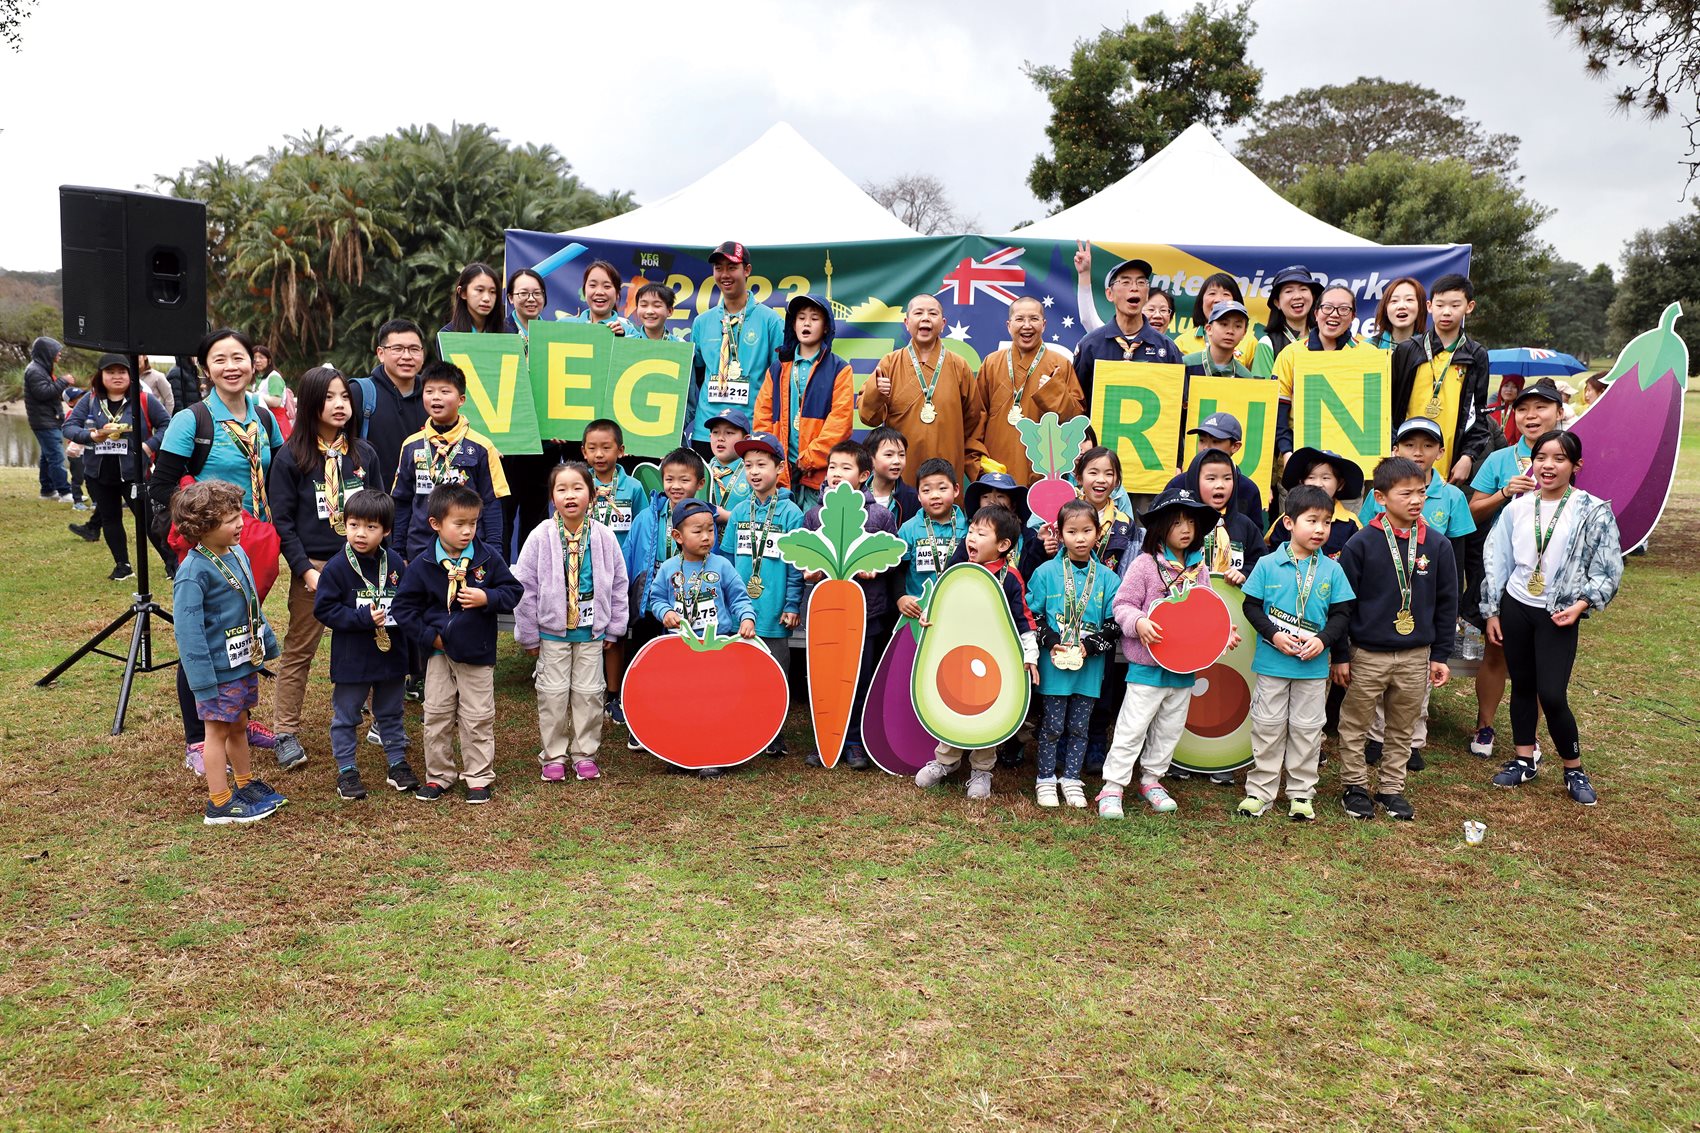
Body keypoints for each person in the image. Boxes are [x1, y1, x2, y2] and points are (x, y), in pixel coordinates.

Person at [150, 328, 287, 771]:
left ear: (254, 362)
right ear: (205, 368)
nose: (232, 367)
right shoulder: (192, 420)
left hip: (254, 545)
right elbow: (162, 485)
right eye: (220, 359)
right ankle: (198, 738)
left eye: (239, 357)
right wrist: (207, 525)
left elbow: (281, 477)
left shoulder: (264, 417)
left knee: (242, 628)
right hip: (209, 547)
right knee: (204, 637)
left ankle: (237, 722)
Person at [1481, 430, 1622, 806]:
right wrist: (1492, 610)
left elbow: (1608, 568)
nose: (1548, 465)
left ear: (1576, 466)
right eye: (1541, 457)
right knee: (1522, 685)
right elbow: (1497, 559)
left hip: (1559, 612)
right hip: (1516, 606)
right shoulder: (1517, 507)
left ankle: (1573, 768)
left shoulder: (1591, 510)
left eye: (1559, 459)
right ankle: (1523, 760)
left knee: (1552, 694)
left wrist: (1582, 604)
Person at [267, 365, 381, 773]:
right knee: (300, 649)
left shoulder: (363, 454)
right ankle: (285, 732)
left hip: (361, 565)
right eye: (330, 397)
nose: (339, 405)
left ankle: (381, 717)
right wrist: (305, 571)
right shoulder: (291, 457)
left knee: (373, 638)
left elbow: (380, 509)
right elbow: (283, 522)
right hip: (314, 568)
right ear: (312, 402)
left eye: (345, 397)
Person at [1332, 457, 1457, 822]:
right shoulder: (1361, 544)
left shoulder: (1437, 545)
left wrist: (1441, 654)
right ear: (1381, 498)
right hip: (1367, 653)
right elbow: (1342, 605)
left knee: (1403, 725)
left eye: (1421, 492)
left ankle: (1391, 788)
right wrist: (1341, 655)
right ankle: (1355, 786)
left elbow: (1447, 603)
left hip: (1416, 654)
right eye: (1406, 494)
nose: (1416, 500)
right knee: (1355, 724)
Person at [1098, 487, 1232, 817]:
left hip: (1184, 670)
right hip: (1147, 667)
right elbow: (1122, 605)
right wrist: (1139, 622)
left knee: (1169, 730)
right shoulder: (1145, 565)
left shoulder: (1199, 570)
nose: (1186, 529)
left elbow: (1207, 612)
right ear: (1160, 527)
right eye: (1177, 522)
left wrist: (1223, 634)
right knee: (1132, 728)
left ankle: (1152, 780)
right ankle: (1113, 786)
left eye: (1191, 522)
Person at [392, 482, 522, 803]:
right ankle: (439, 775)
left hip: (477, 652)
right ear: (435, 524)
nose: (468, 531)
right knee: (436, 714)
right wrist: (430, 638)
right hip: (438, 653)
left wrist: (487, 597)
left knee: (478, 716)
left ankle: (478, 776)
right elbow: (403, 609)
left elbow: (513, 592)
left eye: (473, 523)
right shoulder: (423, 564)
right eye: (459, 524)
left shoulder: (486, 558)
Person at [1356, 417, 1474, 771]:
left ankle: (1412, 740)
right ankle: (1378, 738)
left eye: (1427, 445)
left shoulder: (1451, 497)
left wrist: (1453, 608)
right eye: (1410, 445)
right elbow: (1369, 537)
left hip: (1425, 595)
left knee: (1415, 685)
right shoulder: (1379, 495)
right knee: (1378, 678)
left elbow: (1458, 554)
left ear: (1441, 451)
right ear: (1396, 449)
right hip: (1383, 605)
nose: (1418, 452)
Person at [1238, 485, 1356, 821]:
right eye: (1312, 520)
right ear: (1289, 523)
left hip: (1312, 668)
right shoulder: (1267, 564)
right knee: (1267, 727)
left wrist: (1323, 640)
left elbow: (1341, 615)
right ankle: (1260, 791)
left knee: (1307, 729)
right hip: (1272, 664)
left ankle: (1302, 793)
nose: (1320, 529)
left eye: (1327, 522)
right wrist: (1274, 635)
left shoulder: (1333, 569)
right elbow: (1251, 607)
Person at [170, 479, 284, 824]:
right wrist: (202, 680)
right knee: (216, 733)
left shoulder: (237, 553)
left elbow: (250, 603)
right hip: (217, 670)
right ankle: (219, 803)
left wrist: (266, 642)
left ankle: (245, 785)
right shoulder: (192, 572)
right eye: (231, 519)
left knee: (239, 724)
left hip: (242, 661)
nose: (240, 524)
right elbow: (188, 633)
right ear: (203, 527)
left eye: (239, 516)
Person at [1467, 378, 1566, 759]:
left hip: (1552, 574)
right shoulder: (1500, 459)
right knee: (1496, 650)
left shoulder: (1570, 457)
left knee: (1541, 658)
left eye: (1541, 408)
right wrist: (1504, 493)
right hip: (1504, 569)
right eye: (1523, 409)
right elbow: (1473, 512)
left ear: (1558, 412)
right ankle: (1485, 725)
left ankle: (1530, 734)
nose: (1531, 415)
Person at [514, 462, 630, 783]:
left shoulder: (604, 537)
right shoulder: (540, 536)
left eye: (577, 488)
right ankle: (553, 755)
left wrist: (615, 627)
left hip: (591, 632)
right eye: (561, 489)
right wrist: (528, 635)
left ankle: (584, 753)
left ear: (591, 495)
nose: (570, 495)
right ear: (552, 497)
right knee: (552, 694)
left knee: (589, 693)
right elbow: (525, 587)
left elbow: (619, 584)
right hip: (552, 633)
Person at [913, 505, 1039, 799]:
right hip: (957, 656)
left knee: (988, 712)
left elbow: (1023, 619)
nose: (971, 538)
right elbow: (942, 599)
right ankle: (946, 760)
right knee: (953, 705)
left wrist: (1030, 654)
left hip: (993, 661)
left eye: (981, 534)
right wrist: (929, 613)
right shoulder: (958, 571)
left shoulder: (1010, 578)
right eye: (970, 531)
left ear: (1003, 545)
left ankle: (982, 770)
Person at [311, 488, 419, 800]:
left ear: (385, 530)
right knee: (347, 714)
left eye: (371, 527)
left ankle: (397, 763)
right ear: (344, 525)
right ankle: (347, 769)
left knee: (391, 711)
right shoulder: (336, 567)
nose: (361, 533)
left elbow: (407, 601)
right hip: (353, 657)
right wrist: (361, 618)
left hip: (390, 655)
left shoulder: (395, 563)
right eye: (354, 525)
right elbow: (324, 610)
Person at [799, 441, 900, 771]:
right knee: (825, 677)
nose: (837, 473)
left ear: (864, 475)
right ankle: (825, 739)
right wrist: (811, 571)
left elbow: (893, 558)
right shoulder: (813, 515)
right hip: (827, 613)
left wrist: (876, 568)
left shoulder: (880, 515)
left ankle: (855, 739)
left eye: (846, 468)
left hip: (866, 613)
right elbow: (804, 558)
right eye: (832, 467)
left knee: (859, 677)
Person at [643, 497, 758, 779]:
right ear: (678, 536)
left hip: (717, 647)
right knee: (681, 702)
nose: (707, 537)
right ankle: (683, 752)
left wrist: (746, 618)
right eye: (698, 531)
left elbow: (739, 598)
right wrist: (665, 612)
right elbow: (655, 598)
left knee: (715, 701)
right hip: (680, 648)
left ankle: (714, 753)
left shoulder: (722, 566)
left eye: (711, 530)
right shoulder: (669, 568)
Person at [1025, 498, 1119, 809]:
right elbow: (1032, 615)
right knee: (1052, 726)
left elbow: (1115, 624)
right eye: (1072, 532)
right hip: (1054, 667)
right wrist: (1050, 639)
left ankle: (1072, 778)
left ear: (1098, 534)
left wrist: (1090, 646)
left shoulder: (1108, 578)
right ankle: (1045, 778)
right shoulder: (1045, 573)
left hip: (1089, 669)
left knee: (1080, 727)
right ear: (1060, 534)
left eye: (1087, 531)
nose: (1080, 538)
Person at [619, 447, 707, 739]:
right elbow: (629, 554)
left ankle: (677, 717)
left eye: (684, 480)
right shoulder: (647, 516)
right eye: (669, 479)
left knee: (681, 662)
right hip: (649, 601)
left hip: (686, 602)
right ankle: (639, 719)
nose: (676, 486)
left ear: (699, 483)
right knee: (645, 658)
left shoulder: (703, 519)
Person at [722, 432, 804, 742]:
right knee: (739, 672)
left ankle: (774, 733)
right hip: (739, 613)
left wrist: (792, 604)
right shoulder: (739, 512)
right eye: (748, 465)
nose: (754, 472)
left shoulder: (792, 514)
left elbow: (795, 566)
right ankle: (742, 727)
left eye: (761, 464)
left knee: (775, 672)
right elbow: (727, 563)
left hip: (773, 613)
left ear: (779, 468)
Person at [62, 354, 169, 581]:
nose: (117, 376)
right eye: (110, 372)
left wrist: (149, 446)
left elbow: (167, 425)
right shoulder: (90, 400)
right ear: (101, 376)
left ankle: (171, 564)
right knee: (110, 519)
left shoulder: (144, 399)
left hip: (134, 473)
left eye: (122, 372)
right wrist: (90, 436)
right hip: (98, 473)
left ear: (131, 375)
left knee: (149, 520)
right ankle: (123, 566)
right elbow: (69, 427)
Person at [392, 361, 509, 566]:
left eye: (445, 391)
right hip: (420, 549)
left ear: (461, 399)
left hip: (469, 549)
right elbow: (402, 501)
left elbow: (492, 503)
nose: (436, 397)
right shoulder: (411, 445)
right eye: (429, 391)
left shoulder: (482, 446)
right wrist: (398, 551)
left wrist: (493, 553)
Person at [859, 294, 985, 483]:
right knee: (903, 499)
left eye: (932, 313)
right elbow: (868, 417)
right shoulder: (890, 363)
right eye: (918, 313)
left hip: (948, 466)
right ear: (907, 323)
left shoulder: (959, 366)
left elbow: (974, 422)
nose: (925, 318)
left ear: (943, 324)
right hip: (902, 469)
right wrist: (876, 392)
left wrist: (976, 467)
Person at [752, 293, 857, 512]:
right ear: (793, 324)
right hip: (781, 477)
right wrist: (773, 458)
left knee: (814, 529)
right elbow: (762, 417)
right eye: (801, 318)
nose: (806, 323)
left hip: (817, 478)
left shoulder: (840, 369)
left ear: (826, 327)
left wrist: (806, 460)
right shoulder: (778, 368)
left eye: (814, 318)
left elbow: (840, 424)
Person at [1390, 274, 1494, 484]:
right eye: (1440, 305)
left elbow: (1479, 414)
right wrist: (1392, 447)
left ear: (1469, 307)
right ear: (1429, 306)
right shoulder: (1408, 350)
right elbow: (1389, 408)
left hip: (1450, 463)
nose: (1446, 312)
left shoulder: (1476, 355)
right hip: (1403, 458)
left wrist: (1468, 456)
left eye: (1455, 305)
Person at [684, 241, 785, 452]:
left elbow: (779, 379)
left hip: (750, 429)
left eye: (732, 267)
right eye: (718, 268)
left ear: (747, 270)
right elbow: (698, 374)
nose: (724, 275)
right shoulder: (701, 322)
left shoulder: (770, 321)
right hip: (707, 431)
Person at [977, 297, 1086, 486]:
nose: (1027, 326)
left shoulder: (1059, 365)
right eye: (1020, 319)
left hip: (1042, 468)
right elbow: (976, 417)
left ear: (1044, 325)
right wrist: (979, 460)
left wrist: (1054, 393)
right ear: (1009, 325)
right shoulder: (991, 363)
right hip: (996, 467)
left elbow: (1076, 419)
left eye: (1034, 319)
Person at [1272, 285, 1382, 467]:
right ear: (1316, 313)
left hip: (1354, 463)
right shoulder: (1290, 354)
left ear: (1353, 316)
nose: (1334, 314)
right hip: (1302, 462)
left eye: (1344, 309)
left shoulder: (1370, 354)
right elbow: (1279, 413)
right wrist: (1287, 452)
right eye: (1328, 307)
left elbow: (1378, 414)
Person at [1071, 258, 1185, 411]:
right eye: (1125, 282)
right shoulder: (1091, 345)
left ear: (1146, 294)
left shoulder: (1167, 348)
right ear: (1109, 294)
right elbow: (1077, 403)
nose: (1134, 288)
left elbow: (1179, 405)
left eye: (1141, 282)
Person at [361, 318, 430, 503]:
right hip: (375, 508)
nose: (407, 356)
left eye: (414, 349)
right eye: (398, 349)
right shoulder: (361, 394)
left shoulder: (434, 396)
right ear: (381, 353)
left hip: (427, 508)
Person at [1163, 411, 1264, 530]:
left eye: (1215, 441)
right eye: (1202, 440)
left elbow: (1255, 536)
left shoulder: (1248, 490)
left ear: (1235, 446)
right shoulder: (1177, 485)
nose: (1206, 447)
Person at [894, 457, 968, 621]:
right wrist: (901, 597)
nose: (934, 495)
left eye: (942, 488)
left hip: (957, 612)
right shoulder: (908, 529)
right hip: (915, 612)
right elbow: (898, 570)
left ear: (956, 490)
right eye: (926, 490)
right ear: (919, 495)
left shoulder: (969, 528)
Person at [1186, 447, 1265, 585]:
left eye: (1227, 478)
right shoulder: (1183, 524)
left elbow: (1260, 562)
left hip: (1233, 596)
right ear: (1195, 481)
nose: (1220, 485)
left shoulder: (1245, 525)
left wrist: (1244, 573)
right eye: (1211, 478)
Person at [1269, 448, 1363, 560]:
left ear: (1340, 484)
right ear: (1302, 482)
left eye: (1325, 478)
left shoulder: (1351, 523)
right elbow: (1271, 551)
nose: (1318, 484)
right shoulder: (1289, 517)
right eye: (1311, 477)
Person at [582, 418, 649, 551]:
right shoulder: (579, 486)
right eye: (592, 448)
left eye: (606, 448)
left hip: (624, 559)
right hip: (588, 559)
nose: (599, 454)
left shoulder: (634, 487)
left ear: (620, 451)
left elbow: (644, 527)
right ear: (584, 452)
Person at [25, 335, 75, 503]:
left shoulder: (41, 368)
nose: (59, 354)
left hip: (48, 419)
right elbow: (43, 393)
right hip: (44, 421)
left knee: (47, 456)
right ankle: (65, 492)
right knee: (56, 457)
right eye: (57, 351)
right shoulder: (35, 371)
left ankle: (47, 491)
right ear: (47, 352)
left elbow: (48, 392)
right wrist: (63, 381)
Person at [1173, 273, 1258, 369]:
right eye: (1212, 293)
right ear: (1201, 301)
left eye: (1226, 294)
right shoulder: (1181, 342)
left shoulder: (1250, 342)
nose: (1218, 300)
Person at [1251, 265, 1321, 377]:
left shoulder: (1325, 338)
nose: (1297, 296)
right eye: (1288, 291)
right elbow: (1262, 387)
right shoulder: (1268, 344)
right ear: (1277, 303)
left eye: (1303, 289)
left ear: (1313, 297)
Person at [702, 409, 753, 523]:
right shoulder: (701, 471)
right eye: (715, 432)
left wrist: (728, 517)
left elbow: (761, 514)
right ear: (710, 437)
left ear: (745, 440)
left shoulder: (752, 473)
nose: (720, 438)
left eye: (729, 433)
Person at [865, 425, 921, 524]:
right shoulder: (857, 493)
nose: (897, 461)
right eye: (889, 455)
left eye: (901, 455)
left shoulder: (913, 498)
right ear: (870, 459)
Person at [572, 260, 638, 336]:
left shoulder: (631, 333)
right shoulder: (566, 325)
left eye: (607, 286)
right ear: (584, 291)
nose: (599, 292)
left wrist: (621, 339)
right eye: (593, 285)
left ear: (617, 293)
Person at [1367, 277, 1427, 351]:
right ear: (1385, 309)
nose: (1401, 306)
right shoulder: (1367, 347)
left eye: (1409, 299)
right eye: (1394, 301)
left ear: (1420, 307)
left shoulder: (1430, 349)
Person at [443, 262, 503, 334]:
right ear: (463, 292)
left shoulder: (508, 333)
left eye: (492, 292)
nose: (486, 298)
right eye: (480, 290)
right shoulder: (448, 334)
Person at [504, 268, 547, 338]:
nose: (531, 299)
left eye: (537, 293)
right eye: (523, 293)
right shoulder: (498, 332)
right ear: (511, 298)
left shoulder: (554, 333)